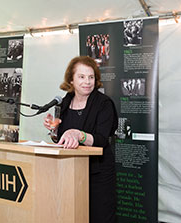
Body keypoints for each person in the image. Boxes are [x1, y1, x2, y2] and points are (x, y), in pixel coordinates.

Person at [43, 56, 118, 222]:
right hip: (70, 172)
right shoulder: (63, 103)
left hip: (98, 174)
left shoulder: (104, 103)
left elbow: (101, 139)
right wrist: (54, 130)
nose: (87, 82)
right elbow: (60, 140)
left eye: (91, 77)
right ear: (71, 79)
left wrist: (79, 134)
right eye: (82, 77)